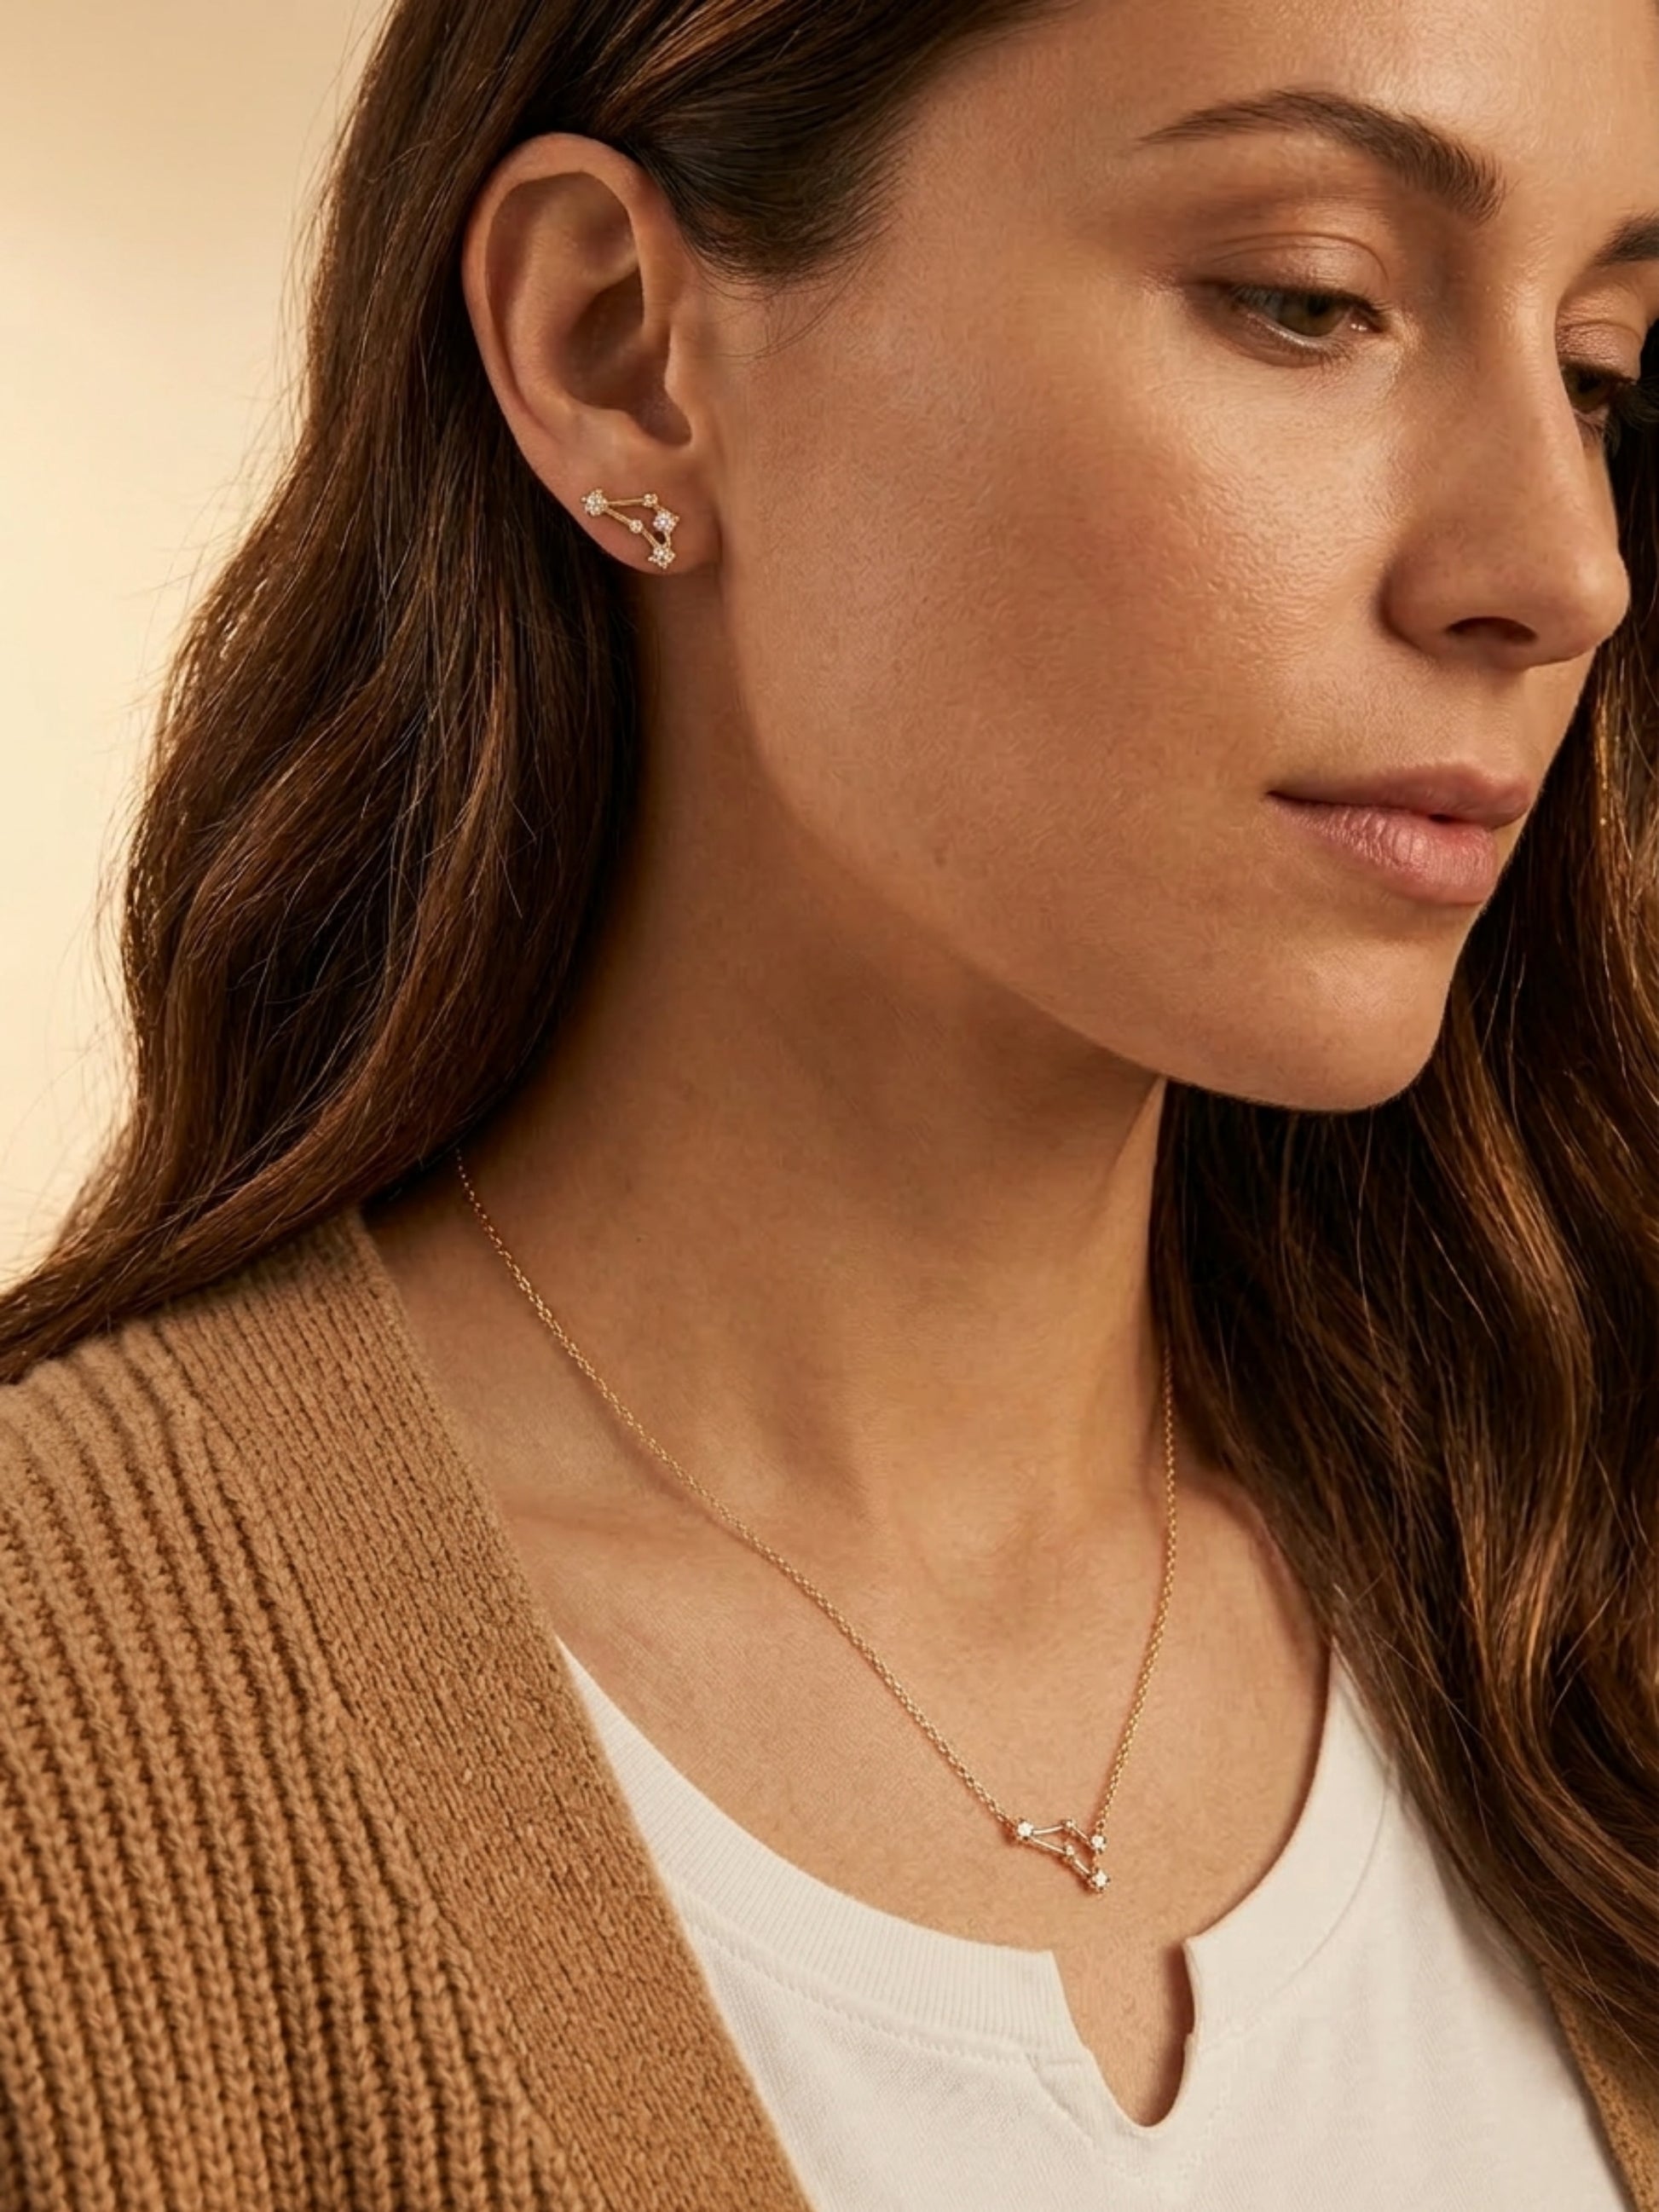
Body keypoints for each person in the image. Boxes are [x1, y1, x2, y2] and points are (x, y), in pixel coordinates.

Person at [2, 0, 1656, 2202]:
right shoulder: (68, 1744)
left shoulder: (1589, 1598)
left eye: (1600, 371)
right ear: (616, 349)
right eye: (1307, 299)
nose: (1558, 567)